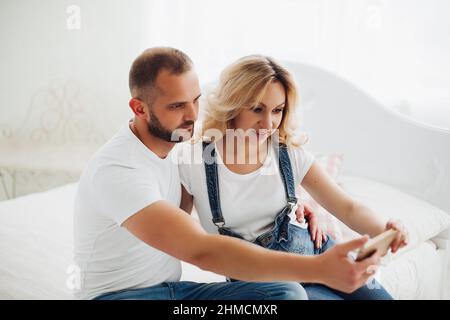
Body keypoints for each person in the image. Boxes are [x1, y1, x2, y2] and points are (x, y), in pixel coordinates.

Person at [74, 47, 385, 300]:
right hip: (120, 297)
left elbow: (342, 204)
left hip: (175, 292)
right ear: (139, 109)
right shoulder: (120, 169)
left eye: (196, 101)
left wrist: (294, 205)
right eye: (178, 106)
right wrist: (319, 268)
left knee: (286, 294)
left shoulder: (177, 149)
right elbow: (200, 249)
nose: (193, 116)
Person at [177, 55, 409, 300]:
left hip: (320, 255)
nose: (268, 123)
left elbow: (348, 208)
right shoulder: (193, 161)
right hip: (269, 287)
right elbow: (177, 232)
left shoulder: (288, 154)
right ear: (232, 104)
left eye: (277, 110)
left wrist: (386, 230)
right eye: (257, 109)